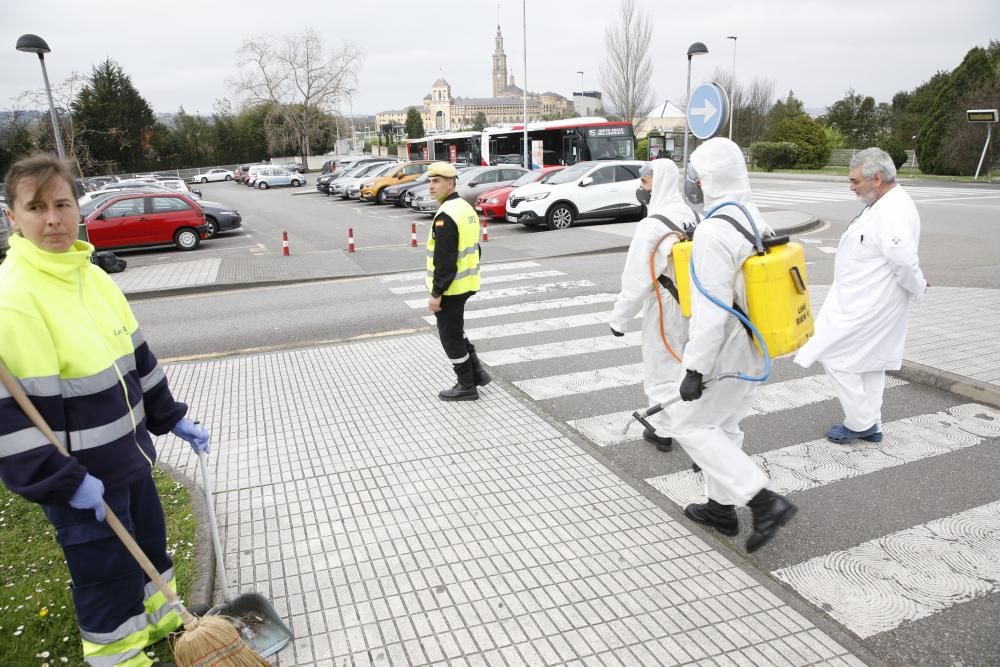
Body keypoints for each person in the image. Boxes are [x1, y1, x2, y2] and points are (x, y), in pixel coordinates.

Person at [0, 154, 210, 667]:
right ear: (12, 217)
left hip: (130, 459)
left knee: (150, 548)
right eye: (36, 208)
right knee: (107, 574)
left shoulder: (92, 278)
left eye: (61, 204)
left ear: (79, 207)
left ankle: (165, 624)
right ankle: (119, 657)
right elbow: (10, 423)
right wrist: (64, 482)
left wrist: (171, 417)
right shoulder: (14, 299)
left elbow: (135, 358)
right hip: (81, 478)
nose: (53, 220)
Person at [666, 138, 797, 552]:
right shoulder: (748, 214)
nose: (694, 183)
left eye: (697, 176)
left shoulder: (713, 231)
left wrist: (694, 369)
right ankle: (720, 509)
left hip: (729, 345)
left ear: (707, 180)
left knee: (689, 425)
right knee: (723, 425)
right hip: (757, 338)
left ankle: (763, 501)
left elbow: (711, 309)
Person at [795, 147, 927, 443]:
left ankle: (860, 422)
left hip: (871, 303)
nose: (851, 186)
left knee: (832, 354)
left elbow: (904, 260)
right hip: (863, 298)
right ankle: (873, 424)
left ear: (876, 178)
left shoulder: (893, 211)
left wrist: (918, 286)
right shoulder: (881, 203)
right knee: (870, 362)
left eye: (855, 181)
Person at [609, 159, 697, 452]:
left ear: (658, 184)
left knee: (661, 370)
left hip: (665, 306)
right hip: (693, 304)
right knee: (685, 366)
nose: (641, 188)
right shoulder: (691, 215)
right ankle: (673, 424)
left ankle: (679, 434)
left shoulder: (653, 225)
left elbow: (636, 278)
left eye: (645, 183)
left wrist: (619, 319)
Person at [425, 161, 490, 401]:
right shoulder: (465, 208)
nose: (431, 186)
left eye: (437, 181)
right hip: (466, 284)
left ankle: (466, 385)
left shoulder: (447, 214)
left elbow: (445, 260)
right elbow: (476, 248)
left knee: (450, 337)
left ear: (450, 183)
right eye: (430, 181)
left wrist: (436, 293)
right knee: (457, 331)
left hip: (451, 289)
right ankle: (478, 374)